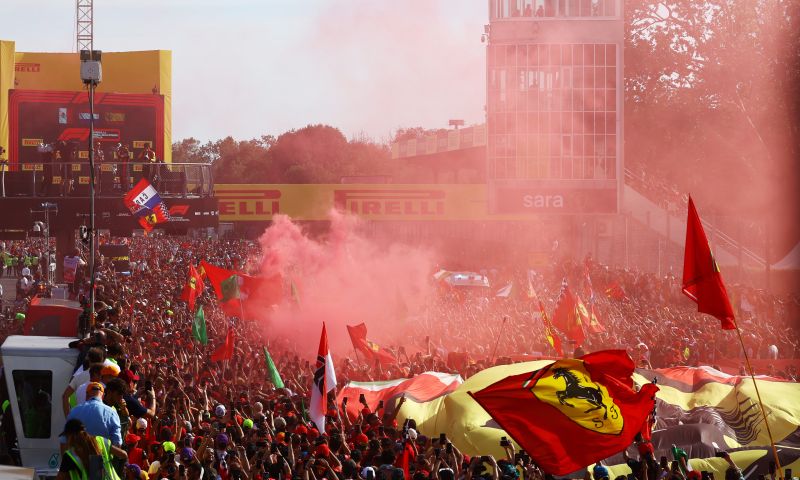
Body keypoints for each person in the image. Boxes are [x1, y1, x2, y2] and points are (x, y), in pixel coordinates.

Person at [57, 418, 127, 480]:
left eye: (66, 437)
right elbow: (124, 454)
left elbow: (60, 478)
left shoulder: (70, 455)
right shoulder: (100, 440)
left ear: (71, 436)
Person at [64, 382, 123, 447]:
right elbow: (117, 443)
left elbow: (64, 440)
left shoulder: (74, 411)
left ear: (87, 395)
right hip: (101, 456)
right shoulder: (112, 413)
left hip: (78, 455)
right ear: (103, 396)